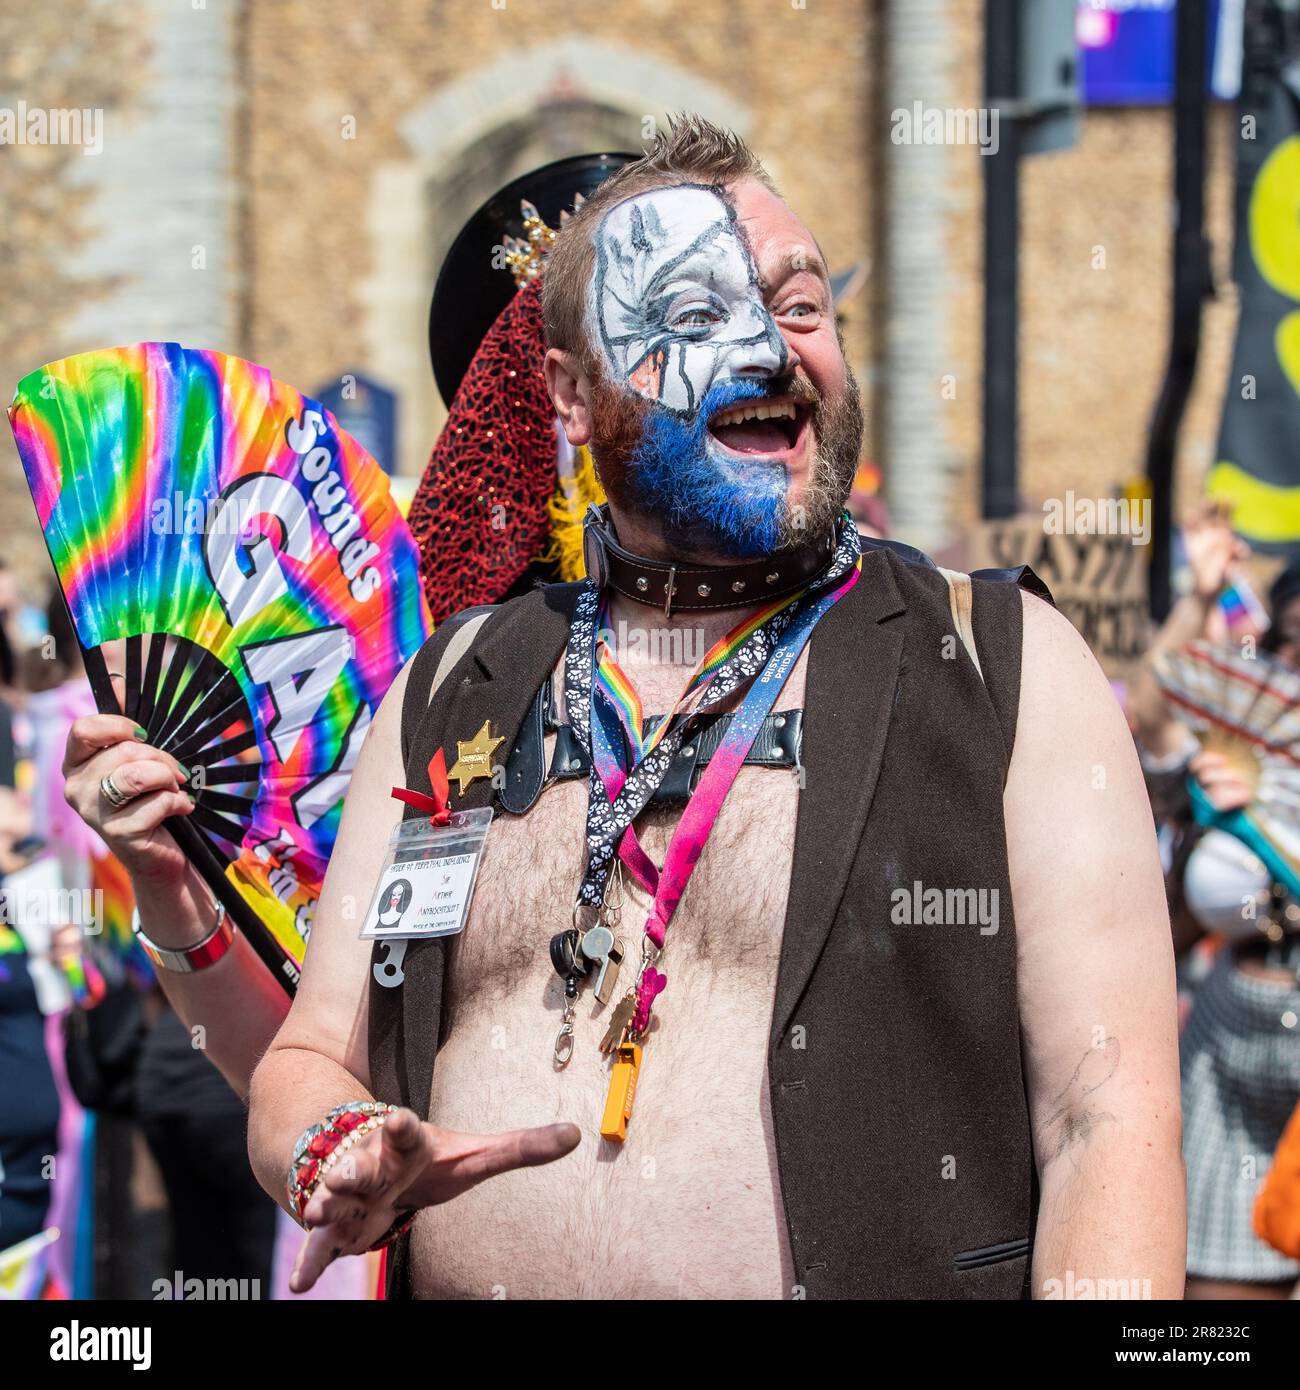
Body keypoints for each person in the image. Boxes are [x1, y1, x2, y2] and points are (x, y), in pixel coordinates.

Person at [68, 116, 1185, 1300]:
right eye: (695, 317)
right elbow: (310, 1056)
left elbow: (1104, 1117)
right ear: (567, 390)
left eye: (798, 309)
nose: (766, 347)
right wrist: (327, 1143)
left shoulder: (1003, 663)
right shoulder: (451, 686)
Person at [1129, 517, 1300, 1300]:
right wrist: (1199, 597)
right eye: (1292, 640)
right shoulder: (1230, 749)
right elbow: (1154, 705)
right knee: (1221, 1287)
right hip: (1232, 1026)